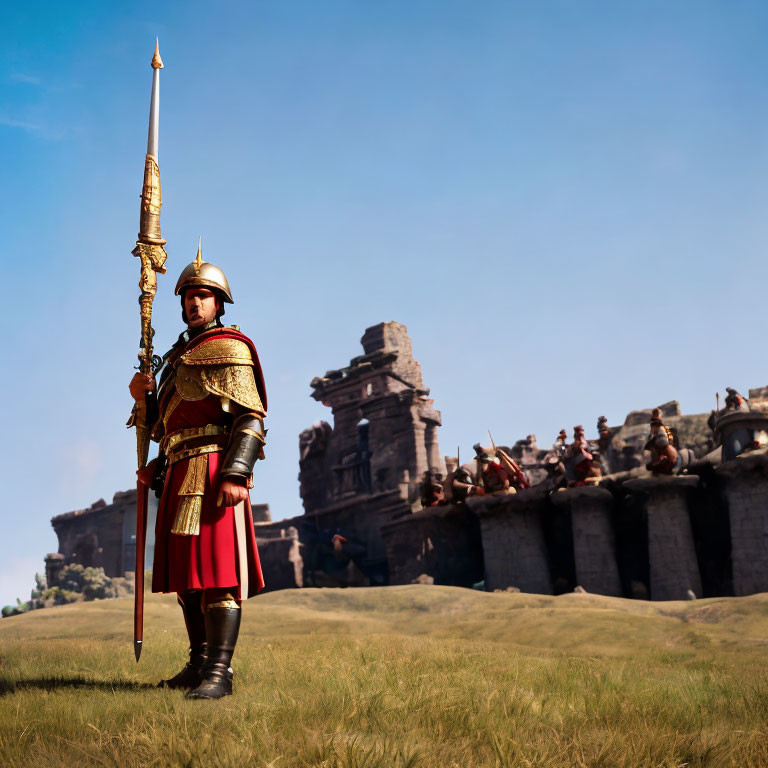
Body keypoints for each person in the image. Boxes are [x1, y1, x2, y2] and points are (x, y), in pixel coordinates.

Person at [128, 244, 267, 700]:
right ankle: (199, 663)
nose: (192, 302)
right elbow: (162, 428)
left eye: (202, 295)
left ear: (218, 302)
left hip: (212, 470)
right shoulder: (172, 359)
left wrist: (236, 473)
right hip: (178, 468)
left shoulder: (230, 347)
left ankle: (220, 674)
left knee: (217, 575)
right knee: (188, 580)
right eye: (187, 295)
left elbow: (249, 418)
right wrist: (141, 397)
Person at [644, 408, 678, 475]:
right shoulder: (650, 440)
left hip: (671, 465)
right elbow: (648, 464)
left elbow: (675, 448)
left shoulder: (670, 431)